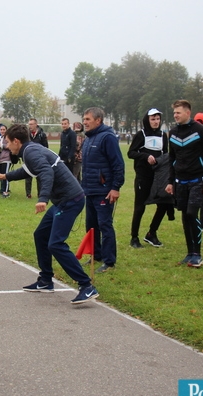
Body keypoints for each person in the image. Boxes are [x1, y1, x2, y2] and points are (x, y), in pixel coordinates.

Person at [0, 124, 99, 304]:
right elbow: (28, 171)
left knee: (55, 244)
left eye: (7, 142)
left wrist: (43, 198)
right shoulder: (30, 150)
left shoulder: (30, 152)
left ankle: (86, 285)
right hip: (63, 200)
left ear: (17, 141)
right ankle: (46, 280)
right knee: (41, 235)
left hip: (70, 200)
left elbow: (46, 172)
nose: (7, 146)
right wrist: (4, 177)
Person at [165, 100, 203, 268]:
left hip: (198, 180)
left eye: (178, 112)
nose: (175, 115)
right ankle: (189, 252)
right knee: (184, 217)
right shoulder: (172, 132)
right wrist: (170, 181)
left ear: (188, 113)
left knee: (192, 214)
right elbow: (171, 158)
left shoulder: (201, 131)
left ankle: (198, 254)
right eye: (174, 113)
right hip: (180, 181)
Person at [80, 107, 125, 273]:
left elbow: (118, 164)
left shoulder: (107, 137)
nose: (84, 122)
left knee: (105, 225)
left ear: (98, 120)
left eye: (88, 119)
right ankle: (95, 255)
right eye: (84, 119)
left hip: (103, 191)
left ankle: (109, 261)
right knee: (91, 226)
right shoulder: (88, 139)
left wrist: (115, 188)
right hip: (89, 190)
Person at [127, 108, 172, 249]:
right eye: (153, 119)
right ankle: (134, 238)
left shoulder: (163, 135)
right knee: (140, 208)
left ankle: (151, 233)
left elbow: (166, 154)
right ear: (147, 120)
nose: (155, 122)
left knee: (164, 204)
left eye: (158, 119)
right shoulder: (141, 134)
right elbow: (131, 153)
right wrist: (146, 156)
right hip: (143, 177)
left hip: (158, 177)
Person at [24, 118, 49, 198]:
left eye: (31, 124)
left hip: (39, 159)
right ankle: (28, 194)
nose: (30, 126)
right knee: (28, 176)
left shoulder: (42, 134)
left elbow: (46, 147)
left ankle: (40, 194)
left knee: (39, 177)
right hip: (28, 158)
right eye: (29, 124)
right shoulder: (26, 135)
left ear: (36, 124)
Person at [0, 124, 12, 197]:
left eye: (3, 129)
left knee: (6, 175)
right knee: (1, 176)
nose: (2, 131)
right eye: (1, 130)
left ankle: (6, 191)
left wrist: (2, 146)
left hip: (6, 159)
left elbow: (10, 146)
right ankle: (2, 190)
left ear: (6, 130)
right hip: (0, 159)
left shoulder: (8, 138)